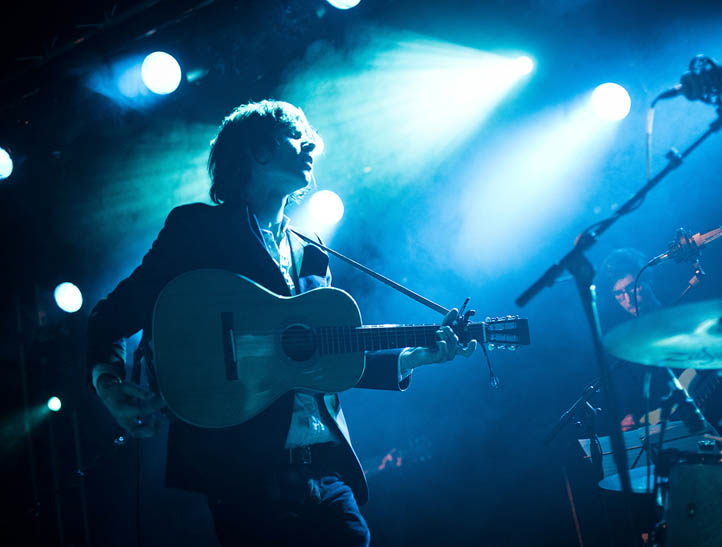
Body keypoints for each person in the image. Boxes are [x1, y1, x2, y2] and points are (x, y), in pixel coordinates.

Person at [87, 100, 476, 546]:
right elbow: (111, 317)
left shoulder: (312, 253)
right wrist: (109, 385)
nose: (312, 143)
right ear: (255, 150)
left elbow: (321, 361)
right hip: (244, 481)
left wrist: (415, 357)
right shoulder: (196, 230)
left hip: (327, 473)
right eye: (295, 134)